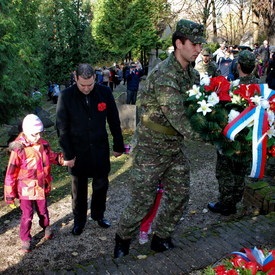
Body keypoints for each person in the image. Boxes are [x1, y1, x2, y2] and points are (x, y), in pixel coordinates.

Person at [114, 19, 205, 258]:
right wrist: (217, 135)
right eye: (194, 44)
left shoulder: (191, 75)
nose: (198, 49)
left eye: (200, 44)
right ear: (178, 43)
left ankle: (161, 237)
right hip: (150, 151)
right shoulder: (164, 75)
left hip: (173, 149)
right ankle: (122, 239)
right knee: (142, 202)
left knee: (180, 193)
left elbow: (197, 108)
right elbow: (181, 120)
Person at [56, 63, 125, 236]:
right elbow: (61, 128)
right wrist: (68, 154)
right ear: (76, 79)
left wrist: (118, 145)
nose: (86, 88)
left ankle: (98, 215)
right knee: (78, 189)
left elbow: (114, 120)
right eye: (82, 85)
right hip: (77, 151)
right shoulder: (66, 96)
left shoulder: (105, 92)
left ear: (95, 78)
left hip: (100, 147)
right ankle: (79, 220)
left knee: (101, 185)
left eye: (90, 84)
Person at [208, 50, 262, 216]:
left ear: (238, 65)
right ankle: (236, 200)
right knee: (240, 171)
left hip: (231, 138)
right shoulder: (261, 88)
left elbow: (223, 113)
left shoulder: (233, 87)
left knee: (225, 171)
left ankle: (226, 203)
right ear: (253, 67)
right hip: (249, 139)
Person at [4, 114, 64, 252]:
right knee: (27, 215)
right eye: (34, 134)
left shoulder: (43, 144)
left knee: (43, 210)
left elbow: (51, 156)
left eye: (39, 133)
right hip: (26, 189)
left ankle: (46, 227)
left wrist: (63, 160)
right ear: (25, 132)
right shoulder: (19, 149)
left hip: (41, 185)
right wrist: (9, 194)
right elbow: (11, 172)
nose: (37, 137)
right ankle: (25, 238)